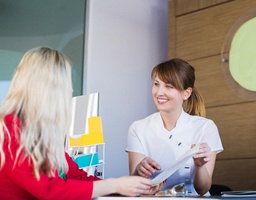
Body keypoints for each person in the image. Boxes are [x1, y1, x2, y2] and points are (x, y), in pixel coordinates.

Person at [0, 46, 163, 199]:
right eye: (66, 84)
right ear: (50, 89)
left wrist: (131, 187)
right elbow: (49, 190)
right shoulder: (9, 128)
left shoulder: (42, 135)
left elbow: (78, 178)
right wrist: (115, 185)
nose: (70, 91)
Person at [126, 58, 223, 196]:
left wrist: (200, 166)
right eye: (156, 84)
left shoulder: (205, 127)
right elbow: (135, 187)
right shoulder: (138, 128)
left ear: (186, 93)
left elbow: (203, 189)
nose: (159, 92)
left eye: (169, 86)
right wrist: (139, 171)